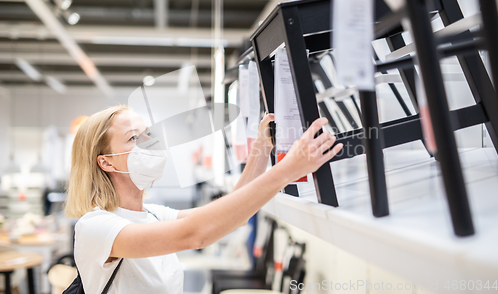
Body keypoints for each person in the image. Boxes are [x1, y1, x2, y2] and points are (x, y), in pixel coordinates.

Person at [64, 105, 343, 293]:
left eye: (149, 135)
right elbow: (196, 235)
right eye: (134, 138)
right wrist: (287, 170)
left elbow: (232, 213)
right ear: (106, 163)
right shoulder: (95, 227)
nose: (149, 143)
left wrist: (261, 148)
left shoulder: (152, 215)